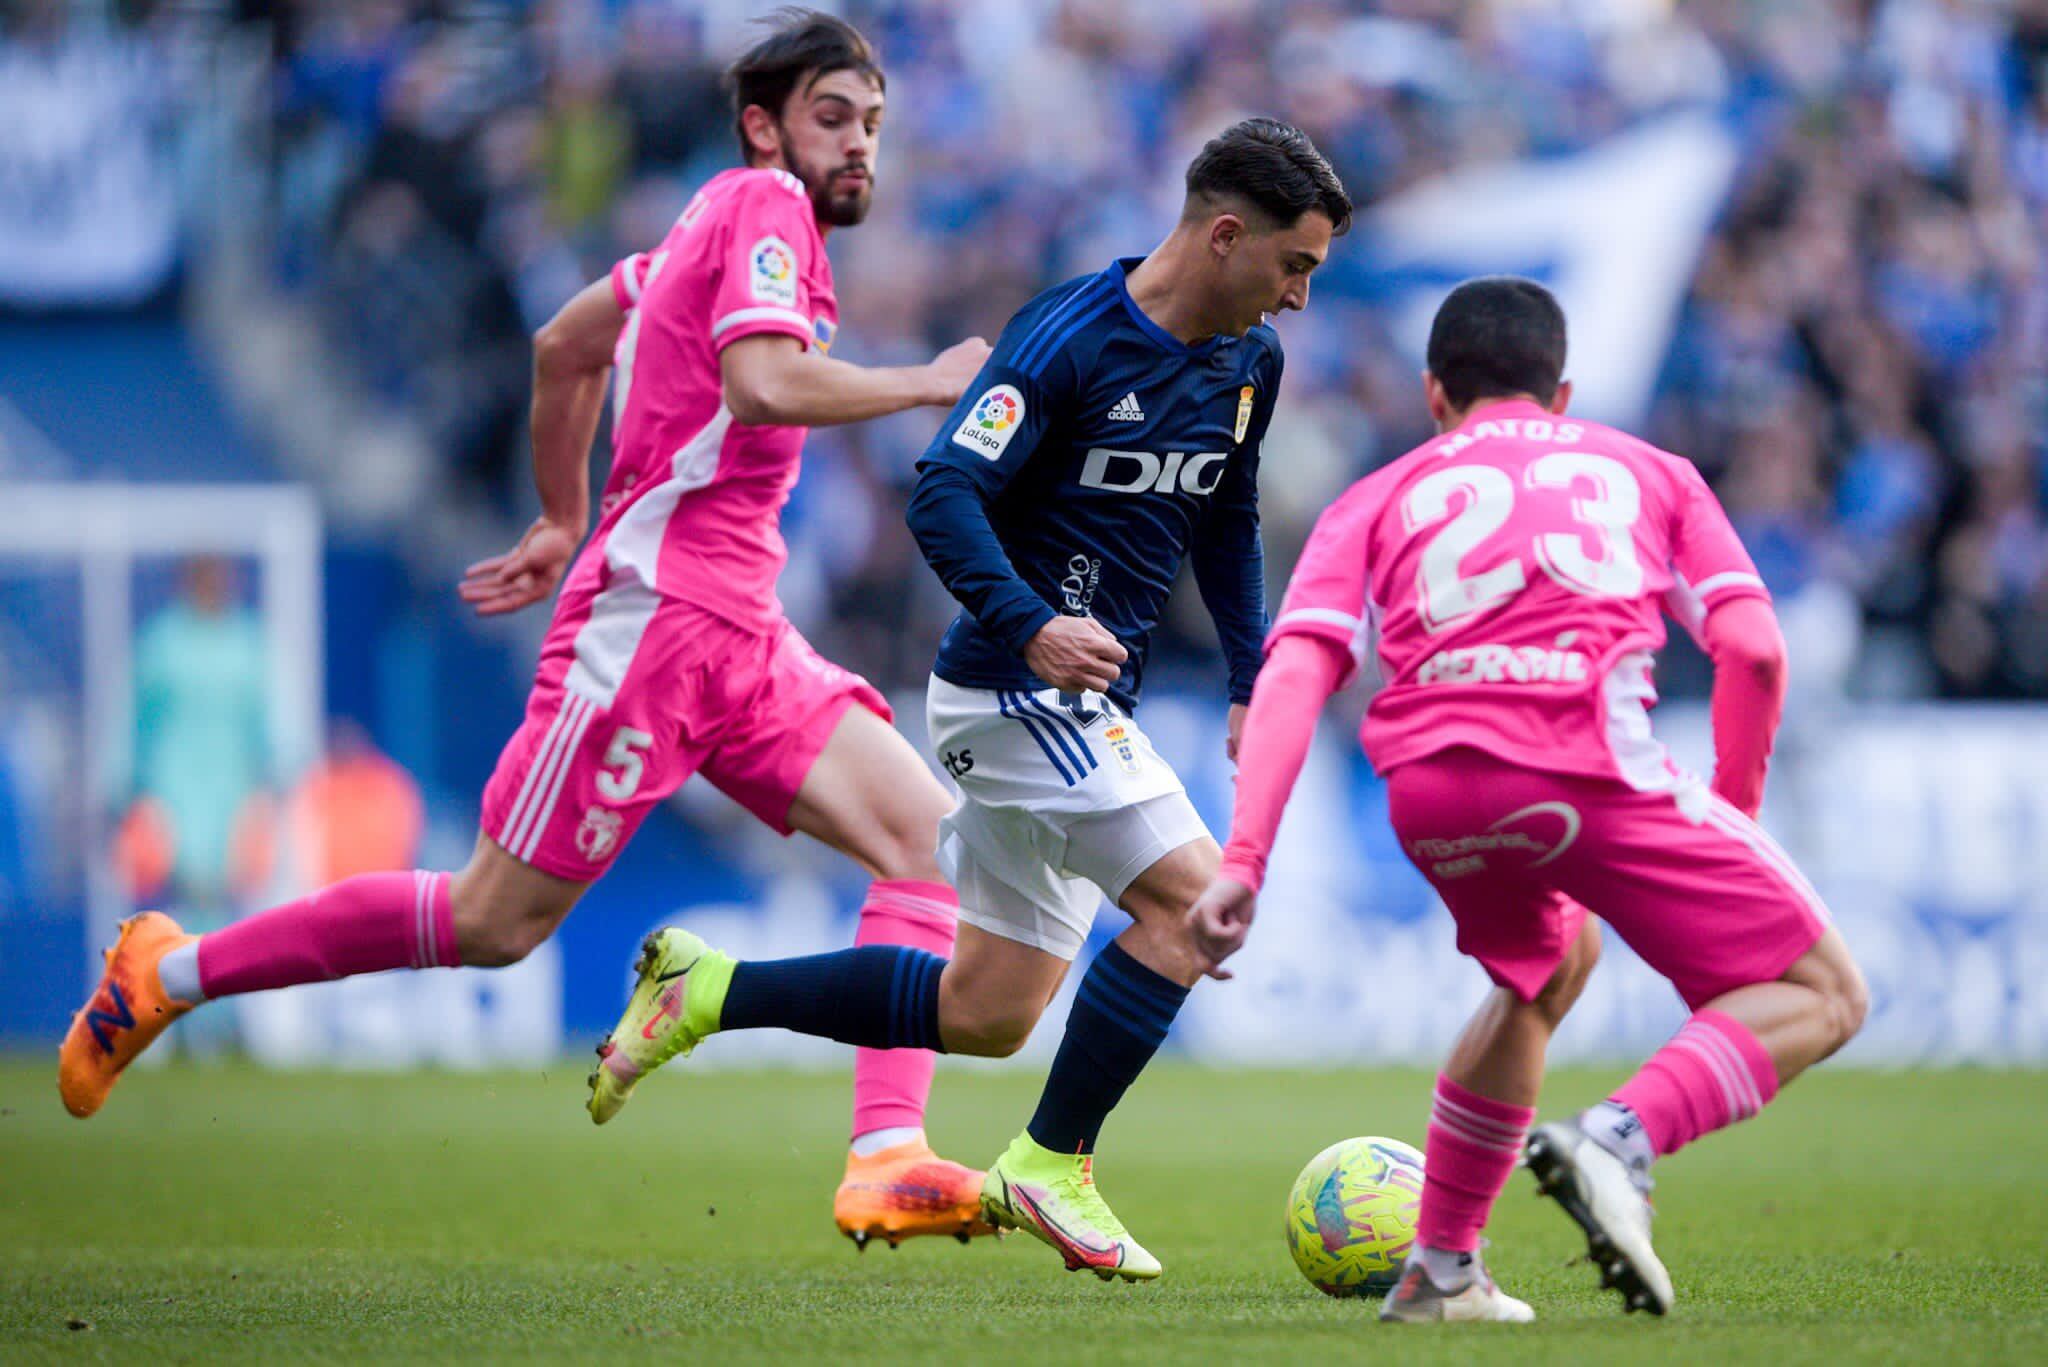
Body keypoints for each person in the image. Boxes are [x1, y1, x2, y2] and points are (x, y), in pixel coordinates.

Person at [60, 8, 1000, 1251]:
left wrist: (564, 512)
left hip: (740, 630)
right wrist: (929, 382)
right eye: (834, 118)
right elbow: (761, 383)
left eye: (873, 124)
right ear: (763, 126)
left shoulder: (705, 231)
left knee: (927, 844)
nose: (859, 146)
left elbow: (567, 346)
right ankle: (168, 971)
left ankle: (885, 1151)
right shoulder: (762, 208)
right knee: (493, 921)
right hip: (655, 631)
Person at [591, 118, 1350, 1283]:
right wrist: (1033, 624)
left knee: (989, 1009)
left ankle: (706, 990)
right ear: (1224, 233)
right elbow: (942, 489)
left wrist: (1253, 677)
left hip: (1078, 703)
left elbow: (1228, 517)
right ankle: (1055, 1163)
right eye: (1292, 265)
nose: (1298, 297)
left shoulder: (1246, 363)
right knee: (1198, 906)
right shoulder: (1067, 336)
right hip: (1011, 687)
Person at [1187, 276, 1869, 1321]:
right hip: (1580, 763)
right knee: (1823, 992)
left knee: (1545, 964)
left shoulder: (1373, 494)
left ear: (1432, 393)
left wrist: (1242, 861)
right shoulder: (1648, 471)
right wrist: (1729, 811)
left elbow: (1292, 674)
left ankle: (1441, 1270)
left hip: (1426, 791)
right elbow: (1752, 648)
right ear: (1560, 393)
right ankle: (1619, 1138)